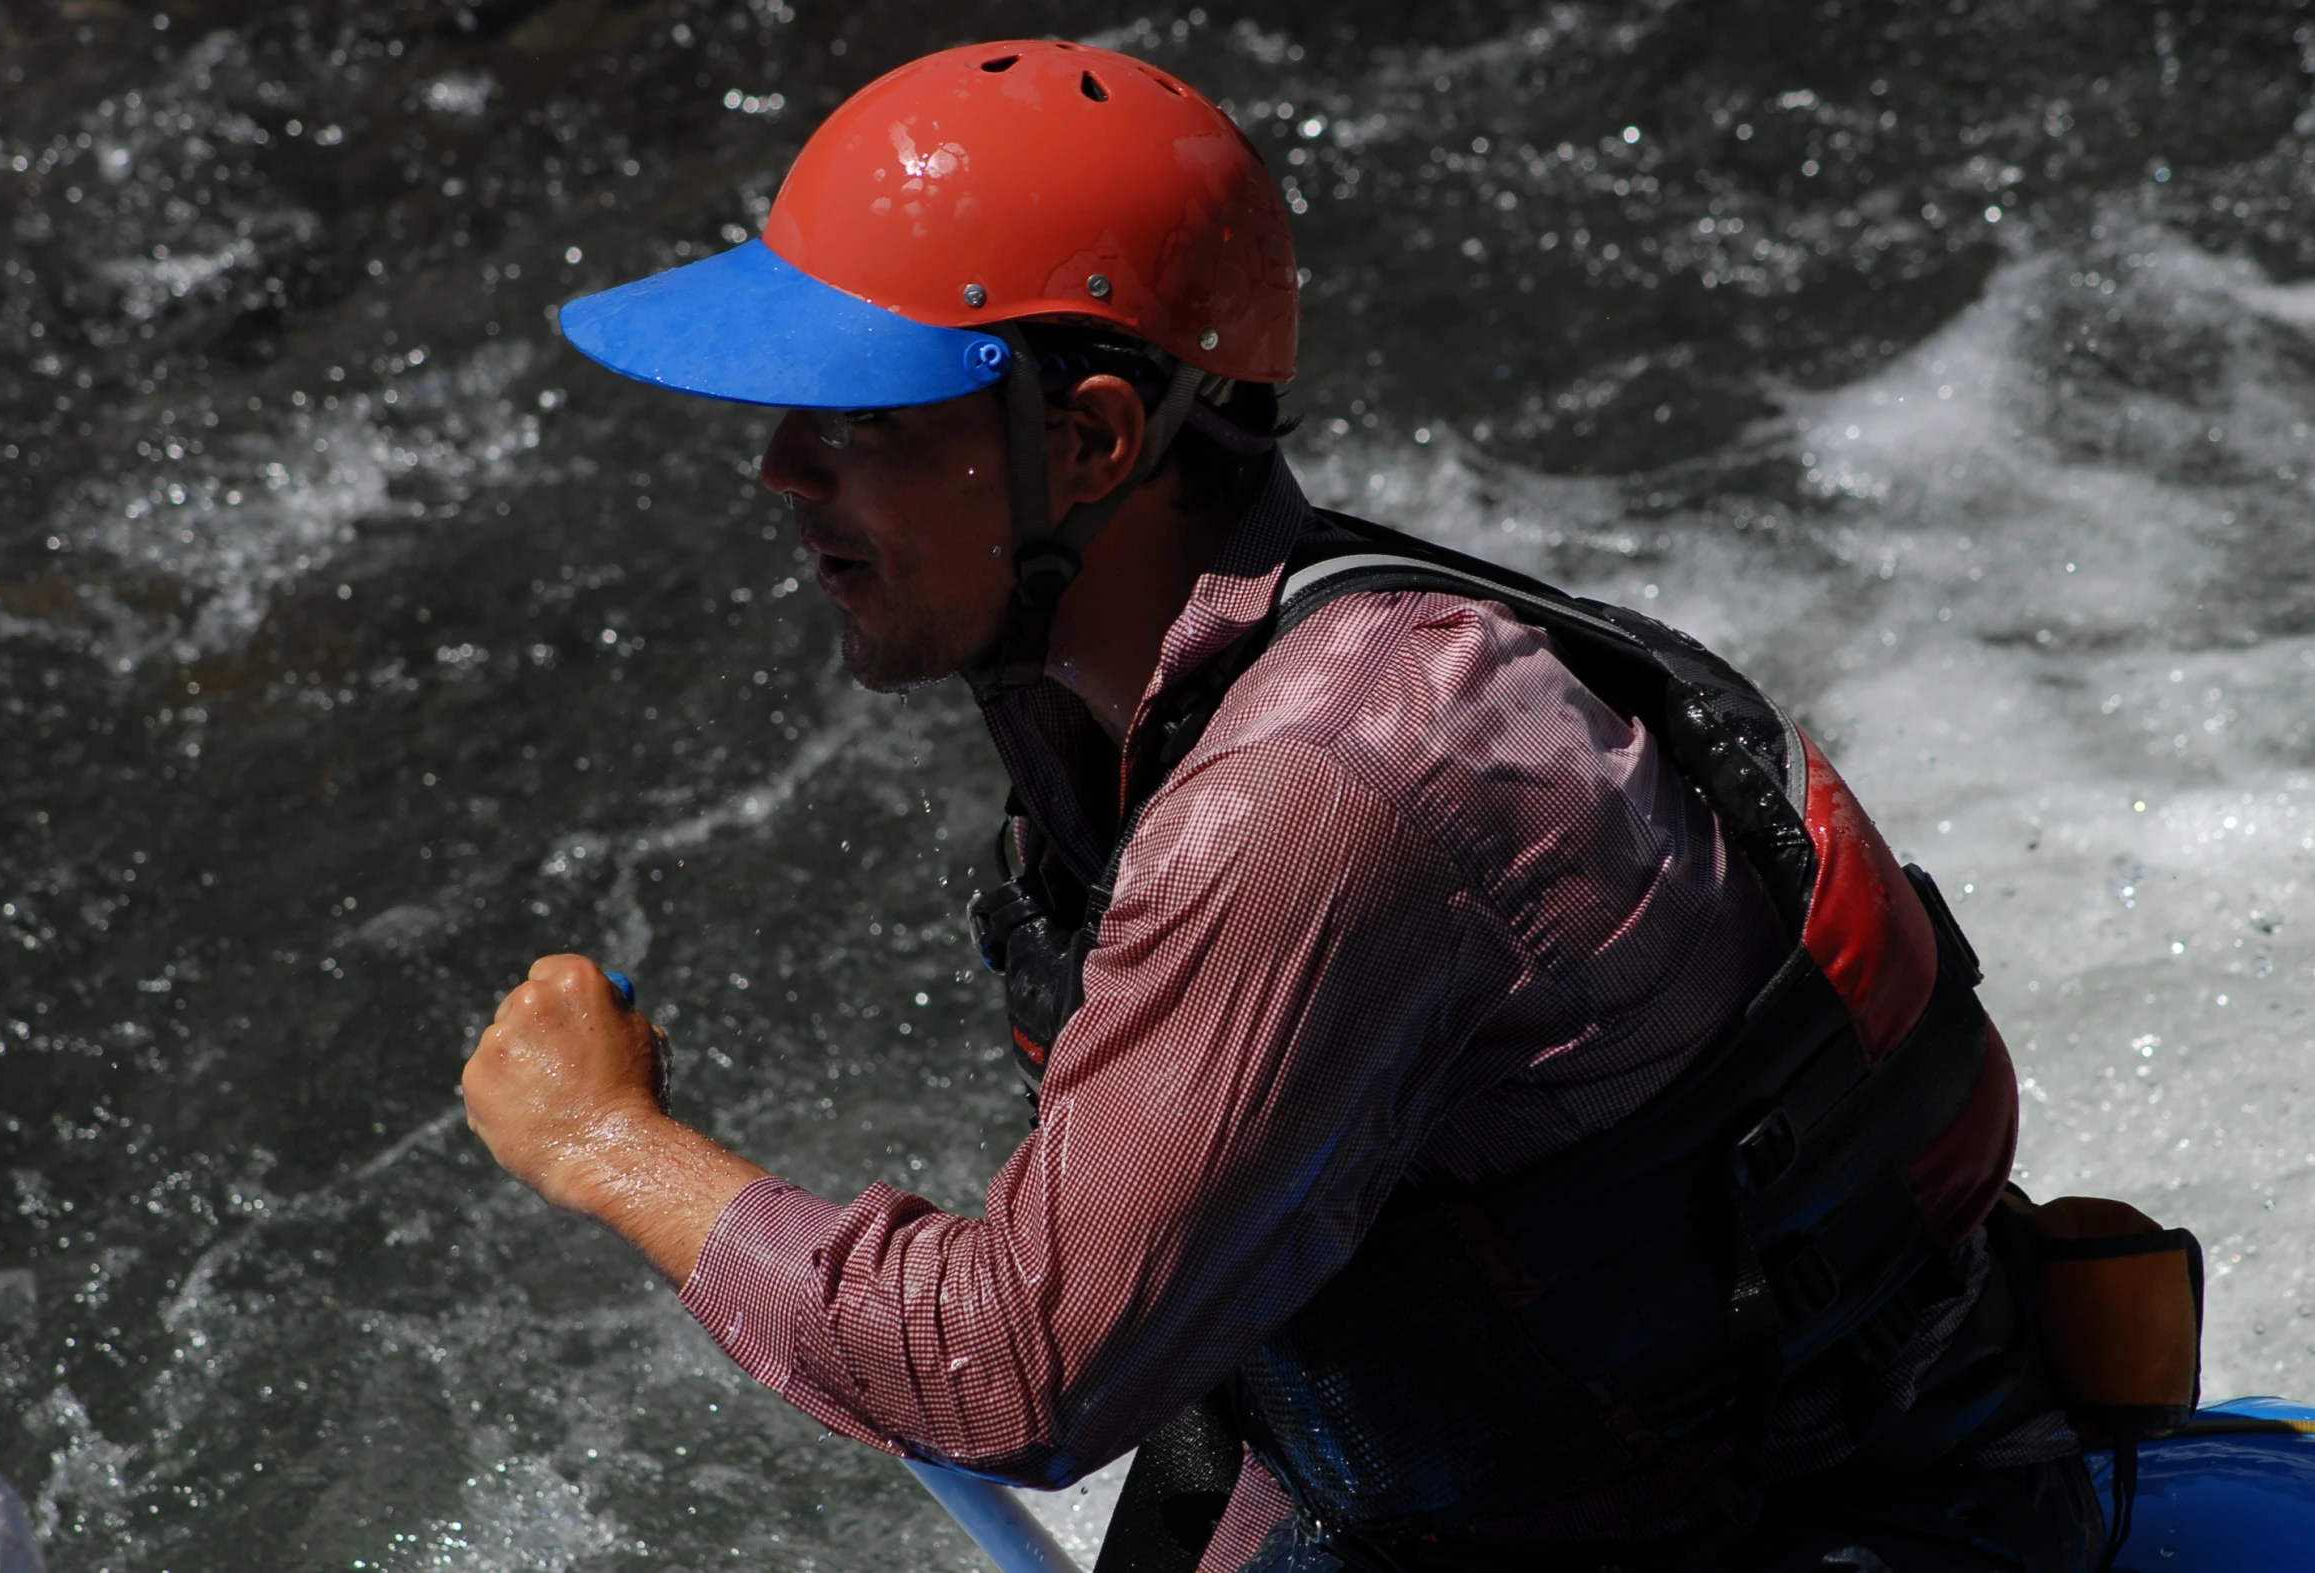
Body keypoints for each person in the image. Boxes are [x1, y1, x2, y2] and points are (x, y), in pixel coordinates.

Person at [462, 41, 2109, 1572]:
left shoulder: (1317, 792)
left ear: (1094, 441)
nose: (781, 471)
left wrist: (612, 1147)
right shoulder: (1162, 667)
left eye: (863, 420)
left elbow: (1011, 1375)